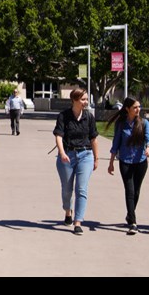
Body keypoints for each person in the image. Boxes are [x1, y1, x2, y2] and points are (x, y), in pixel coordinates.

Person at [53, 88, 99, 235]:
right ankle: (68, 211)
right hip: (67, 155)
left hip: (86, 155)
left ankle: (78, 222)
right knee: (67, 190)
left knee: (81, 189)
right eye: (83, 99)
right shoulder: (63, 116)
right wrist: (61, 153)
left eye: (86, 99)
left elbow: (93, 138)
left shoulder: (89, 117)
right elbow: (58, 136)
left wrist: (96, 158)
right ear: (74, 100)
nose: (86, 102)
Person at [106, 97, 149, 235]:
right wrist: (111, 163)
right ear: (127, 109)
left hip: (141, 162)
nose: (138, 109)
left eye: (139, 107)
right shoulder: (121, 124)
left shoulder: (144, 123)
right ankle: (133, 222)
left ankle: (129, 214)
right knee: (130, 191)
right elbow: (116, 143)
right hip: (125, 162)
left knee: (137, 191)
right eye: (135, 107)